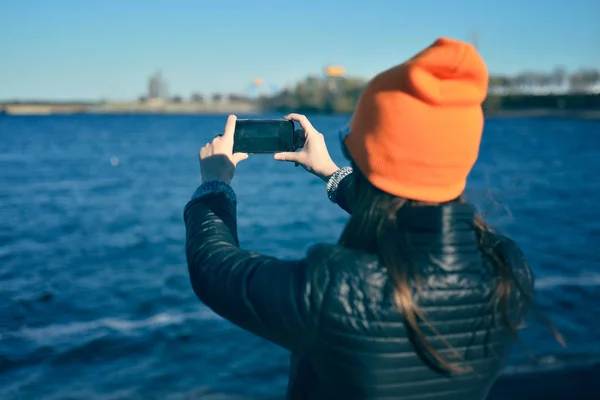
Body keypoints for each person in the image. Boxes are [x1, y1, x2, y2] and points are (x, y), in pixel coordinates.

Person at [184, 38, 535, 400]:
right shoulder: (508, 270)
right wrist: (332, 173)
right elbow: (418, 205)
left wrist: (215, 184)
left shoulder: (335, 293)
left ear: (368, 157)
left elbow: (214, 269)